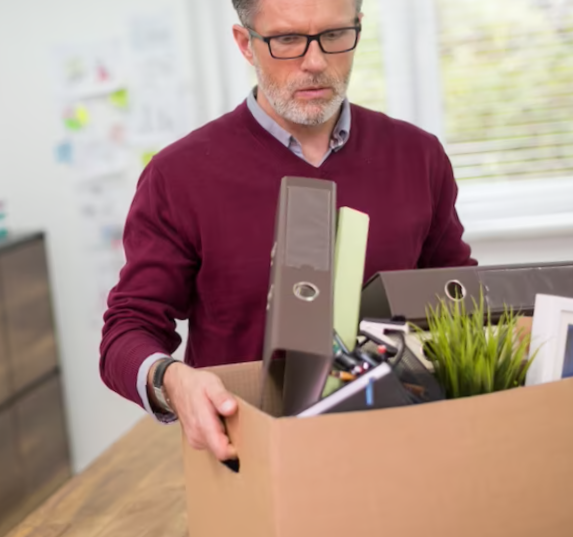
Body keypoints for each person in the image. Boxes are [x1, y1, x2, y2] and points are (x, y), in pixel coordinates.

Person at [99, 0, 477, 461]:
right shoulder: (178, 175)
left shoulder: (419, 156)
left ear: (358, 29)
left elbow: (459, 302)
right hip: (251, 459)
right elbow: (128, 328)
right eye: (287, 40)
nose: (315, 62)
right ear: (246, 44)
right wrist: (171, 380)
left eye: (334, 35)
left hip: (403, 451)